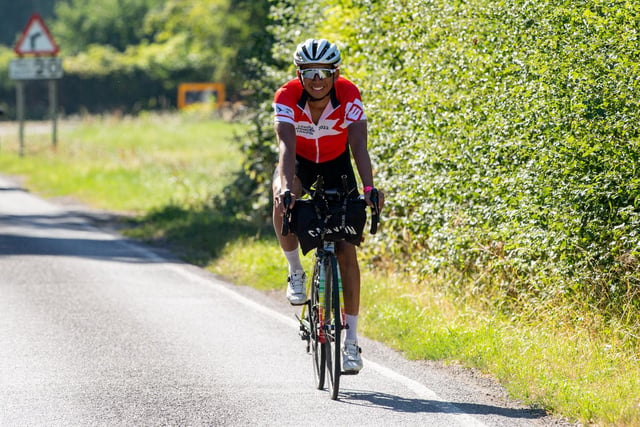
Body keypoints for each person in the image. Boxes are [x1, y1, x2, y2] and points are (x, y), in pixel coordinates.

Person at [272, 38, 383, 373]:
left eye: (323, 72)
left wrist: (368, 188)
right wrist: (286, 187)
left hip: (337, 165)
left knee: (347, 249)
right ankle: (295, 270)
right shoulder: (286, 97)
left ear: (335, 72)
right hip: (301, 162)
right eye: (309, 72)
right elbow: (285, 148)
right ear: (299, 73)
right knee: (280, 201)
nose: (317, 79)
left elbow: (359, 147)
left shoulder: (349, 94)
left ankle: (351, 343)